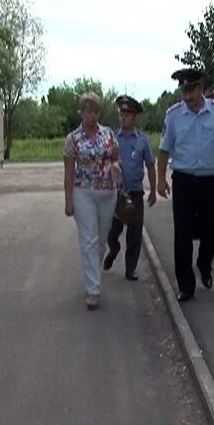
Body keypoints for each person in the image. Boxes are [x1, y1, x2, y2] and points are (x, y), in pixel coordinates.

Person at [157, 68, 214, 302]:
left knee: (212, 228)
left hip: (212, 180)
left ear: (201, 87)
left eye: (191, 90)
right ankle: (185, 286)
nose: (187, 96)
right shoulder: (173, 115)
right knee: (182, 233)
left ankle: (204, 263)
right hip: (183, 180)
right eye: (183, 91)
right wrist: (161, 179)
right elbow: (164, 149)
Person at [63, 92, 122, 310]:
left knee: (100, 240)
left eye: (96, 111)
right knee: (89, 239)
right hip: (83, 193)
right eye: (89, 111)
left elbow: (116, 156)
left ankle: (92, 275)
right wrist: (69, 200)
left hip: (107, 192)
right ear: (82, 112)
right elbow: (69, 172)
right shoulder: (73, 139)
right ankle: (93, 290)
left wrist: (116, 165)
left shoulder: (108, 134)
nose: (93, 115)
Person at [103, 94, 157, 280]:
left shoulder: (142, 141)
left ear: (134, 117)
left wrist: (153, 190)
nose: (123, 117)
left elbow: (150, 165)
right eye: (121, 114)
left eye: (127, 115)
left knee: (134, 233)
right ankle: (113, 249)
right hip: (115, 193)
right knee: (111, 230)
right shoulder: (111, 138)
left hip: (135, 192)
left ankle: (130, 269)